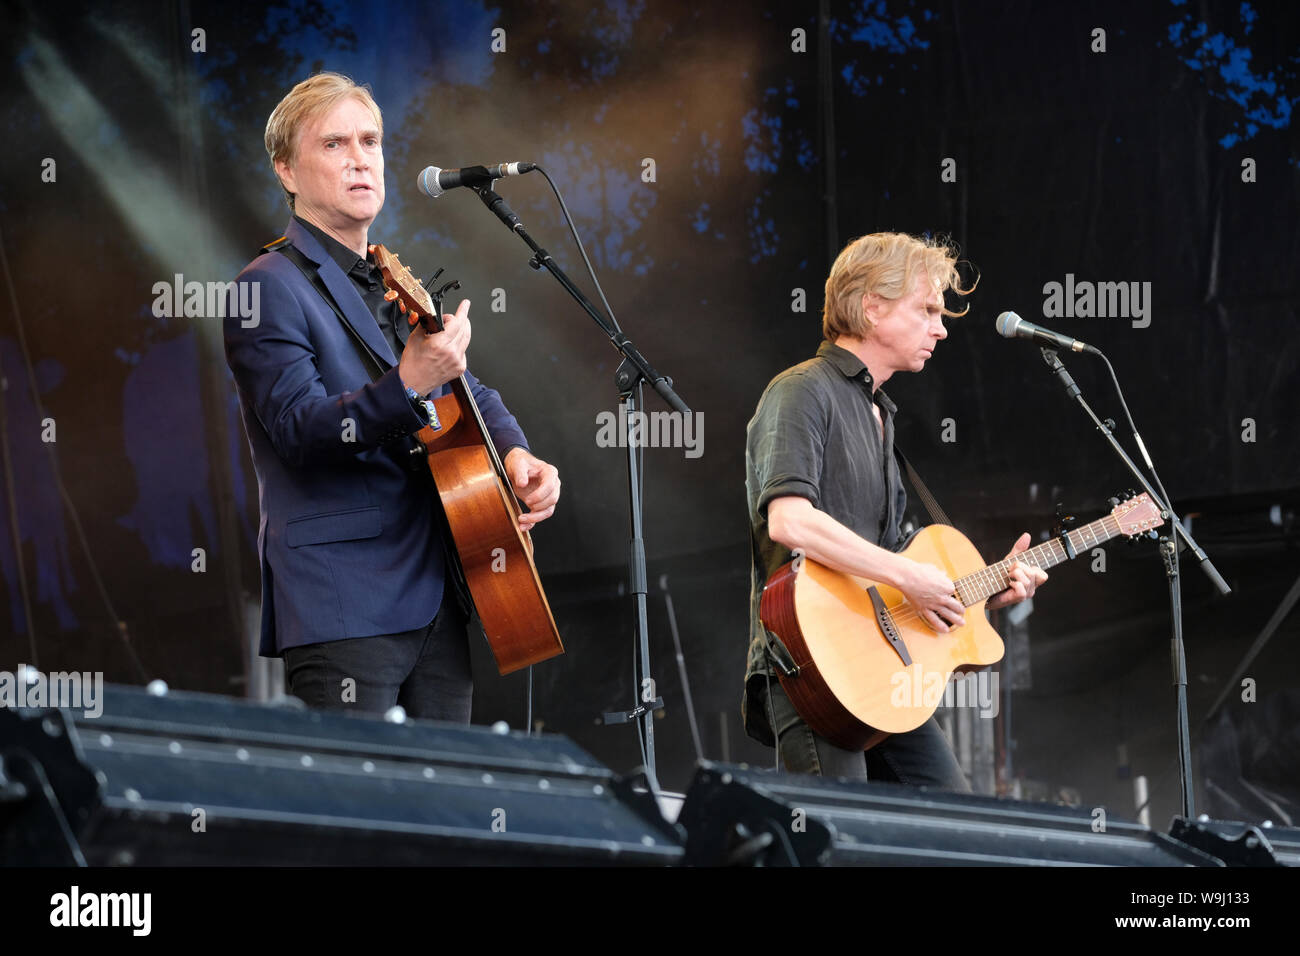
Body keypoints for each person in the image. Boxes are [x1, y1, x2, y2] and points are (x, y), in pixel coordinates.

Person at [224, 72, 560, 722]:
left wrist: (515, 456)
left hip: (438, 591)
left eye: (371, 141)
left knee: (451, 810)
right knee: (363, 816)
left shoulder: (391, 278)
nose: (359, 158)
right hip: (343, 599)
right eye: (335, 144)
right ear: (286, 170)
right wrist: (408, 383)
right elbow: (299, 430)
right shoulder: (264, 287)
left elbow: (467, 389)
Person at [743, 232, 1046, 790]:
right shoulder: (801, 391)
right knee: (842, 846)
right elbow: (790, 521)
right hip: (814, 665)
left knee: (954, 829)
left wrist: (984, 590)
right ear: (872, 307)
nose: (941, 326)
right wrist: (911, 575)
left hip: (886, 671)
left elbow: (885, 579)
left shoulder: (881, 414)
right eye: (928, 309)